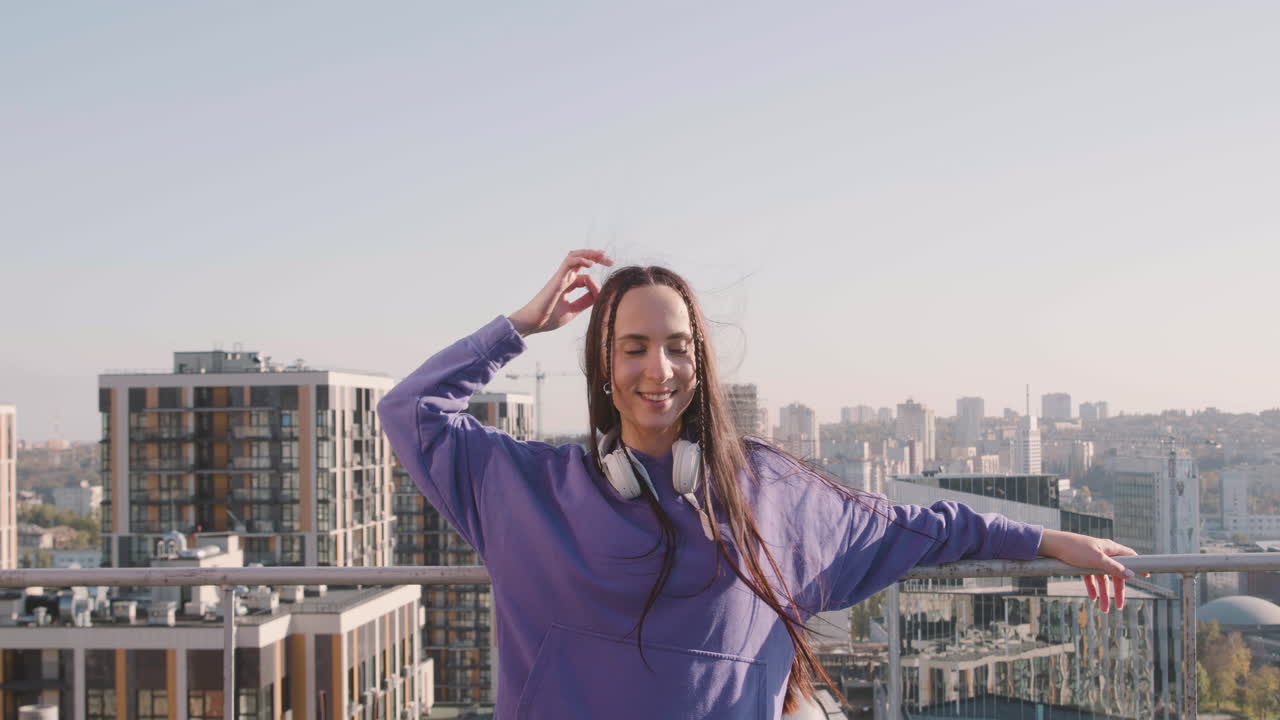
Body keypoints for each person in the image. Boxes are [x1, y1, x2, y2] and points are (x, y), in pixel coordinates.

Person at [378, 249, 1139, 719]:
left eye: (678, 348)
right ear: (603, 368)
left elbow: (924, 528)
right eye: (634, 347)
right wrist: (521, 323)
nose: (658, 370)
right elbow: (411, 410)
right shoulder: (527, 491)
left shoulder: (769, 496)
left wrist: (1046, 538)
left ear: (701, 361)